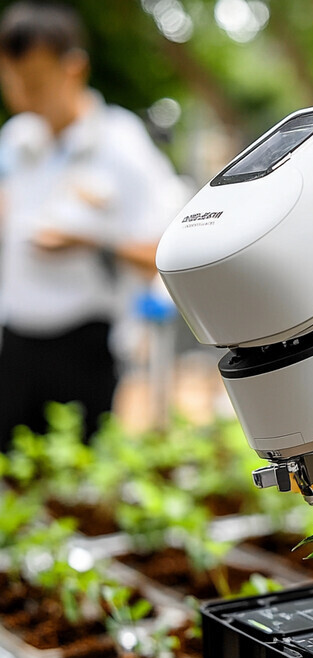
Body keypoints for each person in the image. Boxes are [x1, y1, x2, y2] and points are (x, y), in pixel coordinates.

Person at [0, 2, 186, 447]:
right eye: (13, 82)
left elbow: (168, 251)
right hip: (15, 344)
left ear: (73, 69)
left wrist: (90, 242)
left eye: (36, 82)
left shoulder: (121, 144)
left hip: (85, 345)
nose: (24, 96)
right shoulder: (17, 139)